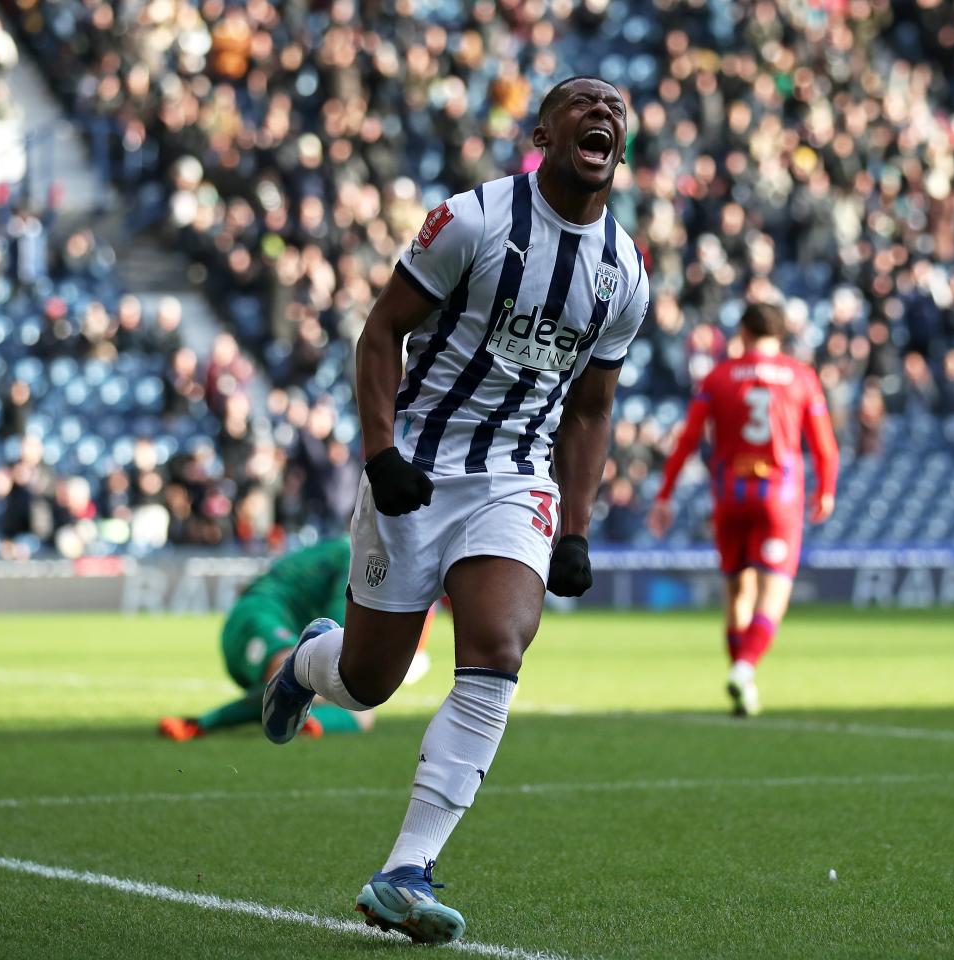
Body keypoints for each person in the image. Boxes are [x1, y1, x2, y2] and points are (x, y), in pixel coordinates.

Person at [261, 76, 648, 944]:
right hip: (418, 471)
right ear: (545, 130)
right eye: (583, 102)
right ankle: (307, 663)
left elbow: (589, 409)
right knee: (370, 681)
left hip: (517, 480)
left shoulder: (624, 272)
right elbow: (379, 331)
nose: (603, 113)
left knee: (498, 649)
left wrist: (576, 529)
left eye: (615, 108)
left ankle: (405, 870)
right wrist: (379, 453)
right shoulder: (474, 220)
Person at [647, 302, 838, 716]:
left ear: (744, 334)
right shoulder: (802, 377)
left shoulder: (718, 377)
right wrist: (826, 489)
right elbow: (825, 445)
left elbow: (687, 439)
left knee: (737, 592)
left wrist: (665, 496)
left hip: (729, 494)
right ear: (780, 335)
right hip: (779, 495)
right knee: (775, 590)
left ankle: (741, 677)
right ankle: (746, 667)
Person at [158, 538, 432, 740]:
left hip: (273, 624)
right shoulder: (359, 558)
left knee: (361, 713)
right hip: (259, 617)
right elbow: (344, 638)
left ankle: (311, 723)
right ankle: (199, 724)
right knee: (305, 677)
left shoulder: (354, 549)